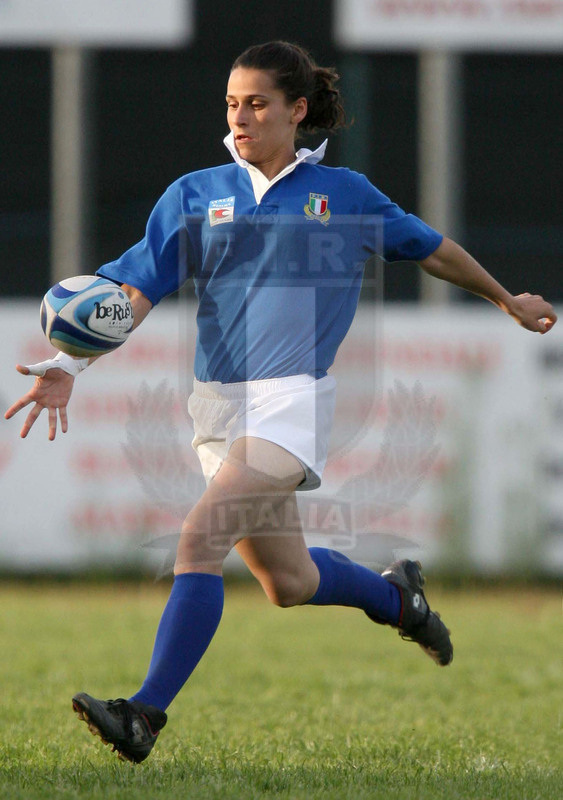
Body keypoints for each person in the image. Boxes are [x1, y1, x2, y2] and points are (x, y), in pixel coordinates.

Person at [5, 41, 557, 764]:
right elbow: (132, 291)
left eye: (257, 103)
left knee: (199, 540)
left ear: (297, 111)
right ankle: (400, 600)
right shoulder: (194, 194)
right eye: (232, 103)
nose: (241, 116)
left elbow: (431, 247)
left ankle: (144, 714)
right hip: (217, 406)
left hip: (290, 402)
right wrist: (71, 361)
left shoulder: (345, 194)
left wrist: (504, 298)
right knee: (287, 582)